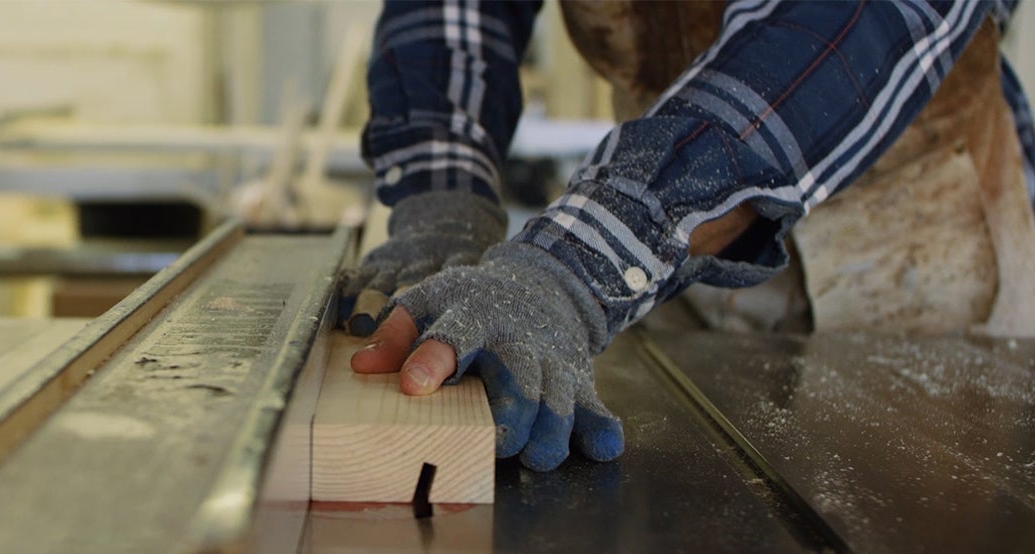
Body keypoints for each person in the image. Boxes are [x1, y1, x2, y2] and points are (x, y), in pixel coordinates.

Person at [340, 0, 1035, 472]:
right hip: (672, 247)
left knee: (926, 529)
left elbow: (859, 23)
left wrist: (577, 270)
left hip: (925, 241)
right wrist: (444, 198)